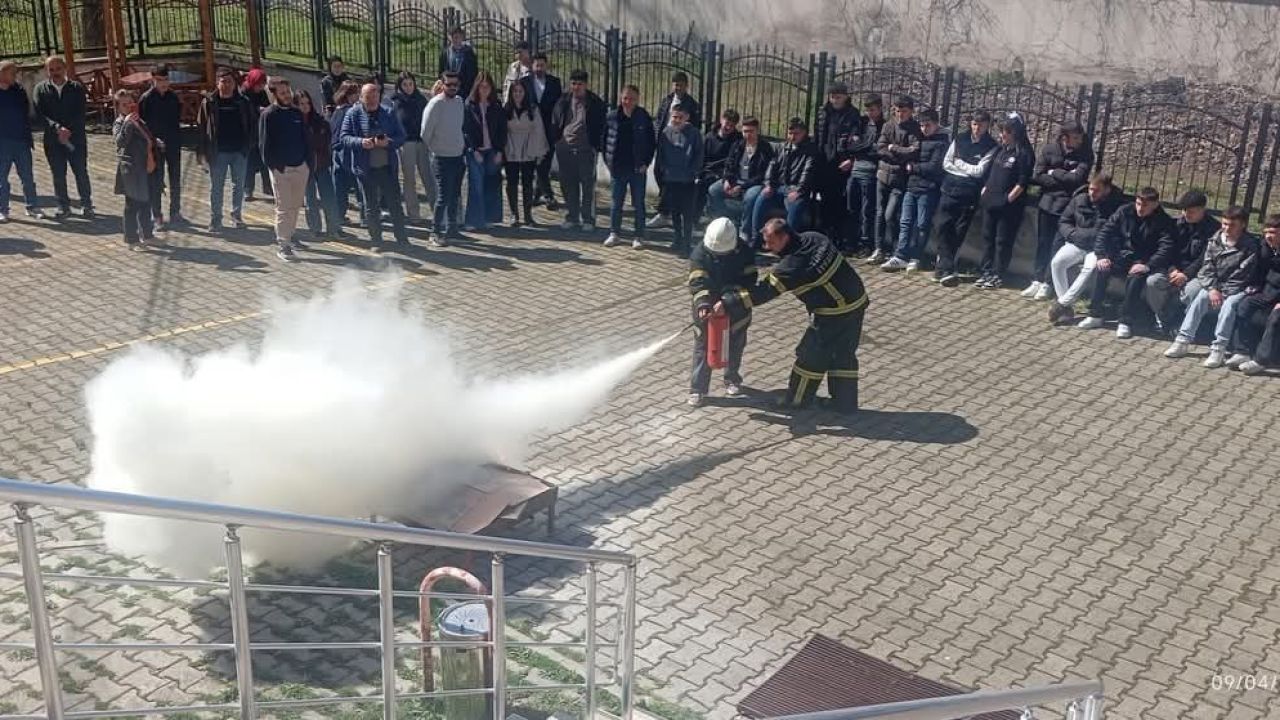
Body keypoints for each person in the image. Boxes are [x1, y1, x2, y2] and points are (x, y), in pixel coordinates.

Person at [717, 219, 870, 413]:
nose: (767, 247)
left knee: (810, 355)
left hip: (834, 313)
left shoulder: (792, 266)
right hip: (857, 301)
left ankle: (797, 401)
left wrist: (729, 302)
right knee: (843, 354)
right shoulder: (815, 238)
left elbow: (764, 292)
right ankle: (844, 404)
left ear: (785, 237)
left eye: (770, 242)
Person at [1162, 206, 1258, 367]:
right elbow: (1206, 267)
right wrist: (1212, 289)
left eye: (1232, 225)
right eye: (1225, 224)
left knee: (1229, 306)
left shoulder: (1250, 246)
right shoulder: (1216, 239)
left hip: (1239, 289)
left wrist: (1223, 293)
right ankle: (1183, 340)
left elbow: (1242, 276)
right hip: (1215, 286)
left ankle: (1219, 349)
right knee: (1201, 297)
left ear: (1243, 225)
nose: (1226, 228)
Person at [1078, 187, 1177, 339]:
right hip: (1119, 255)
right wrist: (1101, 255)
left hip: (1143, 260)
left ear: (1155, 205)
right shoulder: (1124, 211)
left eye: (1145, 205)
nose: (1140, 208)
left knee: (1136, 277)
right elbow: (1105, 232)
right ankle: (1095, 314)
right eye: (1138, 203)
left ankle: (1125, 321)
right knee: (1102, 269)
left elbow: (1166, 248)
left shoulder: (1164, 221)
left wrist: (1148, 265)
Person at [688, 217, 756, 406]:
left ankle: (732, 379)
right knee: (703, 347)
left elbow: (749, 282)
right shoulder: (700, 253)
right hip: (707, 306)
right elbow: (697, 282)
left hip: (737, 308)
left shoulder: (744, 252)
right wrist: (703, 303)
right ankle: (698, 390)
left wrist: (728, 301)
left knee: (735, 344)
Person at [1025, 120, 1093, 299]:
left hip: (1067, 207)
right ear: (1065, 138)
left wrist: (1053, 172)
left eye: (1081, 138)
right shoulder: (1049, 150)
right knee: (1043, 243)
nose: (1079, 141)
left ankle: (1048, 283)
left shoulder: (1085, 154)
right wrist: (1063, 178)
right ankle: (1037, 279)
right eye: (1075, 138)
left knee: (1056, 245)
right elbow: (1038, 175)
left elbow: (1078, 179)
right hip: (1047, 203)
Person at [1046, 172, 1123, 325]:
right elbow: (1064, 221)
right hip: (1077, 242)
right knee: (1057, 262)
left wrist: (1103, 250)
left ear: (1107, 190)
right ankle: (1066, 308)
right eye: (1091, 189)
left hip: (1098, 249)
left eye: (1097, 190)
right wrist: (1072, 235)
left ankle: (1062, 304)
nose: (1092, 193)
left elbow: (1115, 232)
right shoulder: (1079, 199)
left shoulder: (1116, 206)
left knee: (1090, 268)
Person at [342, 82, 409, 249]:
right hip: (366, 169)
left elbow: (401, 136)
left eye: (375, 96)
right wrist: (361, 142)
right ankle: (376, 241)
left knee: (395, 205)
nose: (372, 100)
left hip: (387, 168)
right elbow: (343, 137)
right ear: (361, 98)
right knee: (371, 207)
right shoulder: (353, 114)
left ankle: (402, 239)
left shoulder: (389, 112)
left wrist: (388, 142)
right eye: (368, 97)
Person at [932, 110, 995, 286]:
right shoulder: (960, 138)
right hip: (949, 189)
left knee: (959, 232)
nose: (977, 128)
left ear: (987, 126)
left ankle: (943, 269)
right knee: (942, 226)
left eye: (981, 125)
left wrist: (958, 163)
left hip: (969, 194)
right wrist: (965, 168)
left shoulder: (991, 145)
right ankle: (946, 267)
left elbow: (979, 171)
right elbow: (946, 163)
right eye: (974, 124)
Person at [883, 106, 947, 272]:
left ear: (936, 124)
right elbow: (907, 155)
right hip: (912, 186)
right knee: (905, 222)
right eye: (922, 125)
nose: (924, 129)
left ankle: (916, 257)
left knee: (921, 225)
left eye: (928, 125)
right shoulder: (917, 139)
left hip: (928, 189)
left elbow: (935, 167)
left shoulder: (941, 142)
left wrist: (914, 167)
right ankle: (900, 256)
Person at [974, 113, 1034, 289]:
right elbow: (992, 173)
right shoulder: (1002, 150)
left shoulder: (1023, 153)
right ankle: (986, 271)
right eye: (1001, 132)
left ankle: (998, 274)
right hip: (990, 201)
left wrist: (1008, 199)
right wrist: (985, 190)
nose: (1002, 136)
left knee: (1002, 241)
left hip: (1008, 206)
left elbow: (1022, 182)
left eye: (1006, 132)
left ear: (1015, 133)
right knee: (987, 238)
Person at [1146, 190, 1217, 332]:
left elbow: (1205, 257)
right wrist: (1172, 268)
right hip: (1173, 269)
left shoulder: (1214, 229)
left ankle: (1180, 322)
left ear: (1203, 209)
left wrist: (1186, 275)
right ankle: (1163, 319)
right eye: (1184, 210)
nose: (1186, 214)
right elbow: (1168, 249)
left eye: (1192, 211)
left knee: (1192, 291)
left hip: (1197, 273)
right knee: (1153, 282)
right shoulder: (1176, 224)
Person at [196, 66, 255, 233]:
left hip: (239, 151)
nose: (227, 85)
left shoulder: (243, 102)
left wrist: (248, 145)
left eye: (230, 81)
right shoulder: (209, 102)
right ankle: (216, 220)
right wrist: (202, 153)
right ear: (217, 83)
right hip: (217, 152)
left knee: (239, 185)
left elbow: (252, 124)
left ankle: (236, 215)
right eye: (224, 81)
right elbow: (201, 128)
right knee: (216, 187)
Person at [33, 55, 93, 220]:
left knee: (81, 172)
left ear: (65, 68)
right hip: (53, 141)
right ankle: (63, 206)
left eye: (58, 69)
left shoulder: (76, 88)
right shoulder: (40, 89)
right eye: (51, 70)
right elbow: (40, 115)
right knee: (58, 174)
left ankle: (87, 205)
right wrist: (57, 128)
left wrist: (68, 130)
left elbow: (81, 113)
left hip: (76, 139)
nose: (55, 73)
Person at [258, 78, 312, 262]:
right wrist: (276, 167)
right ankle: (283, 244)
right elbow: (264, 146)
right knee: (283, 207)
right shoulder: (268, 115)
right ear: (274, 95)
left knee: (295, 206)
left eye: (288, 91)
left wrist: (307, 164)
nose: (287, 95)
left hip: (301, 168)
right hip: (282, 170)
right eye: (282, 93)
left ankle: (290, 235)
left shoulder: (297, 113)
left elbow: (305, 139)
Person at [550, 69, 606, 231]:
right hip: (564, 148)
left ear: (586, 85)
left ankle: (588, 219)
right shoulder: (563, 100)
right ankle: (572, 217)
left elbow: (601, 126)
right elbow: (555, 120)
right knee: (568, 184)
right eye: (573, 83)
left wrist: (596, 146)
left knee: (587, 185)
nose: (576, 87)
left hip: (586, 150)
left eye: (580, 84)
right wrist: (557, 140)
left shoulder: (595, 103)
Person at [868, 96, 920, 264]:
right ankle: (879, 249)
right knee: (879, 213)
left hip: (899, 179)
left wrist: (894, 148)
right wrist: (898, 155)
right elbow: (880, 148)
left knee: (891, 215)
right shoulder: (888, 125)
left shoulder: (914, 129)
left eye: (904, 111)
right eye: (897, 111)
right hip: (882, 175)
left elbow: (914, 151)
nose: (900, 115)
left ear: (911, 111)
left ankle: (895, 249)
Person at [602, 84, 655, 249]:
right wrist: (608, 162)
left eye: (631, 98)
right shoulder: (612, 116)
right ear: (620, 98)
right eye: (625, 98)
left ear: (637, 99)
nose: (628, 101)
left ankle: (639, 236)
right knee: (616, 202)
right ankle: (614, 233)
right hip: (618, 168)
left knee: (638, 203)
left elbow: (651, 143)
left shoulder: (643, 116)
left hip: (637, 169)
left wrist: (646, 163)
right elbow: (604, 141)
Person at [707, 116, 774, 243]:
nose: (747, 135)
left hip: (754, 183)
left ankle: (744, 231)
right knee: (713, 190)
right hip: (736, 180)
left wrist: (742, 187)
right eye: (745, 131)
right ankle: (722, 222)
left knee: (750, 197)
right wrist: (727, 180)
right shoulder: (738, 144)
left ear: (757, 131)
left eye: (751, 131)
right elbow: (729, 164)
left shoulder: (765, 148)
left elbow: (762, 174)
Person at [752, 117, 819, 243]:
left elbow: (808, 172)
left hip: (797, 189)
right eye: (790, 133)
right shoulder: (782, 147)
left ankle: (788, 244)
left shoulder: (810, 150)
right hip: (779, 186)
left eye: (796, 134)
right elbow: (772, 166)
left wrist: (799, 190)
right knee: (761, 198)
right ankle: (757, 238)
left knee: (795, 207)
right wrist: (769, 184)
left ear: (804, 133)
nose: (792, 137)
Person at [650, 71, 702, 228]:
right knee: (659, 173)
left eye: (680, 85)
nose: (677, 88)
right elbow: (659, 120)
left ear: (687, 86)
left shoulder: (692, 105)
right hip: (664, 143)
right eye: (675, 84)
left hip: (680, 149)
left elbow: (695, 127)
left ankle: (666, 212)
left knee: (672, 182)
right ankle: (667, 210)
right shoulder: (667, 100)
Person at [1229, 215, 1280, 375]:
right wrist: (1253, 287)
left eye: (1272, 232)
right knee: (1244, 304)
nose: (1268, 236)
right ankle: (1242, 351)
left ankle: (1261, 360)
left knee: (1276, 317)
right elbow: (1258, 271)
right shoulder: (1265, 246)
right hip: (1268, 292)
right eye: (1266, 232)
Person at [814, 82, 860, 250]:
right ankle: (825, 236)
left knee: (841, 203)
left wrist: (852, 158)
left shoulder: (852, 114)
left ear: (846, 97)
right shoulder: (823, 112)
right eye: (832, 96)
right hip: (825, 161)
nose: (835, 100)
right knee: (825, 201)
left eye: (838, 97)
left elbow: (857, 138)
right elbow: (819, 136)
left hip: (843, 163)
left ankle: (839, 238)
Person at [655, 102, 704, 257]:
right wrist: (663, 171)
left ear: (687, 118)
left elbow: (698, 155)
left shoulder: (694, 134)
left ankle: (687, 243)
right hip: (671, 179)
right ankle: (677, 239)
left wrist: (694, 172)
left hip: (687, 181)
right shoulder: (665, 133)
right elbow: (661, 155)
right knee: (675, 212)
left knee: (687, 214)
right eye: (674, 117)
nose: (676, 120)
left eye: (680, 117)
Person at [112, 89, 159, 250]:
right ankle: (131, 239)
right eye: (124, 105)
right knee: (132, 205)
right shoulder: (120, 123)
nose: (128, 107)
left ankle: (148, 235)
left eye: (130, 103)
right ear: (118, 107)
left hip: (144, 166)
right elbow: (120, 142)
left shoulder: (139, 120)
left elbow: (147, 138)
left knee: (146, 203)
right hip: (131, 169)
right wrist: (127, 124)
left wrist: (155, 142)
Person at [139, 63, 183, 228]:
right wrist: (153, 140)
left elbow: (177, 119)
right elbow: (142, 125)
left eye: (166, 79)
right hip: (155, 146)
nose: (164, 83)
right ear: (153, 79)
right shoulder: (146, 99)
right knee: (156, 181)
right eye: (160, 80)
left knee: (175, 179)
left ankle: (175, 211)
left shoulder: (173, 97)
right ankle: (156, 215)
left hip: (173, 144)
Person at [462, 71, 506, 231]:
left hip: (492, 150)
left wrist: (500, 151)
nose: (484, 90)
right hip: (476, 151)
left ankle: (489, 217)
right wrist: (473, 150)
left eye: (487, 87)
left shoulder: (496, 106)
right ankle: (473, 220)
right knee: (476, 185)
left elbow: (502, 130)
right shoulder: (469, 105)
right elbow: (466, 130)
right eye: (481, 87)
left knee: (491, 184)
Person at [0, 60, 43, 222]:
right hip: (2, 142)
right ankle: (3, 210)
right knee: (1, 178)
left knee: (27, 177)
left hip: (21, 141)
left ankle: (32, 207)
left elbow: (26, 110)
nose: (16, 76)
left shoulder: (18, 90)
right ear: (2, 74)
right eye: (13, 73)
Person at [503, 80, 548, 228]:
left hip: (528, 148)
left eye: (520, 91)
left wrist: (537, 151)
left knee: (528, 182)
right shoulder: (506, 109)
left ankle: (528, 215)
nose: (517, 94)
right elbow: (502, 130)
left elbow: (538, 130)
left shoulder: (533, 109)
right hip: (511, 148)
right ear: (511, 93)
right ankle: (514, 214)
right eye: (515, 91)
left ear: (525, 93)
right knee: (512, 182)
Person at [297, 90, 340, 241]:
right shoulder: (295, 122)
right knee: (310, 200)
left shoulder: (319, 121)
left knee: (329, 198)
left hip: (322, 164)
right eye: (301, 104)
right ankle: (315, 228)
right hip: (304, 167)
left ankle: (333, 228)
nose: (305, 106)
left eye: (307, 103)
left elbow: (326, 139)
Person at [391, 71, 433, 224]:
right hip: (406, 143)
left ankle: (437, 210)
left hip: (421, 142)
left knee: (428, 177)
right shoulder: (395, 101)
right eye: (404, 84)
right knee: (409, 179)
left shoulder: (421, 100)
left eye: (410, 84)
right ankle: (413, 214)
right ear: (399, 86)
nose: (408, 87)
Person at [846, 94, 885, 256]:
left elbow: (879, 151)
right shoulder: (861, 122)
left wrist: (862, 145)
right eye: (868, 110)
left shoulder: (885, 125)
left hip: (870, 173)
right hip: (855, 170)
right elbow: (851, 146)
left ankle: (865, 243)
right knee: (850, 207)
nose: (870, 113)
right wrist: (866, 145)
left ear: (880, 108)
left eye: (873, 110)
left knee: (867, 210)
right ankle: (850, 241)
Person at [523, 53, 562, 209]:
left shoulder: (554, 82)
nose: (539, 68)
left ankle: (539, 194)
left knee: (544, 162)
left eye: (542, 65)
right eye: (537, 65)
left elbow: (559, 106)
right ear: (532, 66)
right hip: (531, 128)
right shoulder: (524, 82)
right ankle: (548, 195)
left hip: (549, 128)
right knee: (536, 163)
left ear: (546, 66)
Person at [694, 109, 741, 224]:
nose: (728, 128)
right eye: (727, 123)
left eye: (732, 125)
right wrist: (698, 173)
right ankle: (694, 219)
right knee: (698, 183)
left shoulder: (737, 140)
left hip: (723, 173)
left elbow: (733, 162)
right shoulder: (709, 137)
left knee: (709, 186)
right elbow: (701, 157)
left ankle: (716, 219)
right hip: (708, 170)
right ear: (721, 120)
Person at [330, 80, 362, 226]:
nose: (358, 96)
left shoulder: (337, 110)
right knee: (359, 183)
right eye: (356, 93)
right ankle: (365, 215)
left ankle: (339, 215)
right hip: (348, 151)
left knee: (340, 186)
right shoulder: (350, 111)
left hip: (336, 149)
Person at [241, 68, 273, 200]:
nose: (261, 87)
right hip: (248, 132)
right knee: (250, 162)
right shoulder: (244, 92)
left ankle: (268, 187)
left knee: (264, 160)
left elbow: (266, 104)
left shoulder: (261, 93)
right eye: (259, 84)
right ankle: (248, 189)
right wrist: (257, 109)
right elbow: (244, 110)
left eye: (262, 84)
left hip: (261, 130)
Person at [439, 26, 479, 98]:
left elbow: (474, 73)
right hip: (448, 90)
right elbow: (441, 71)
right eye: (454, 37)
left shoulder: (469, 53)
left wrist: (471, 93)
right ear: (449, 37)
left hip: (464, 91)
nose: (456, 40)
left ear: (462, 37)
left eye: (458, 37)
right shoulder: (445, 53)